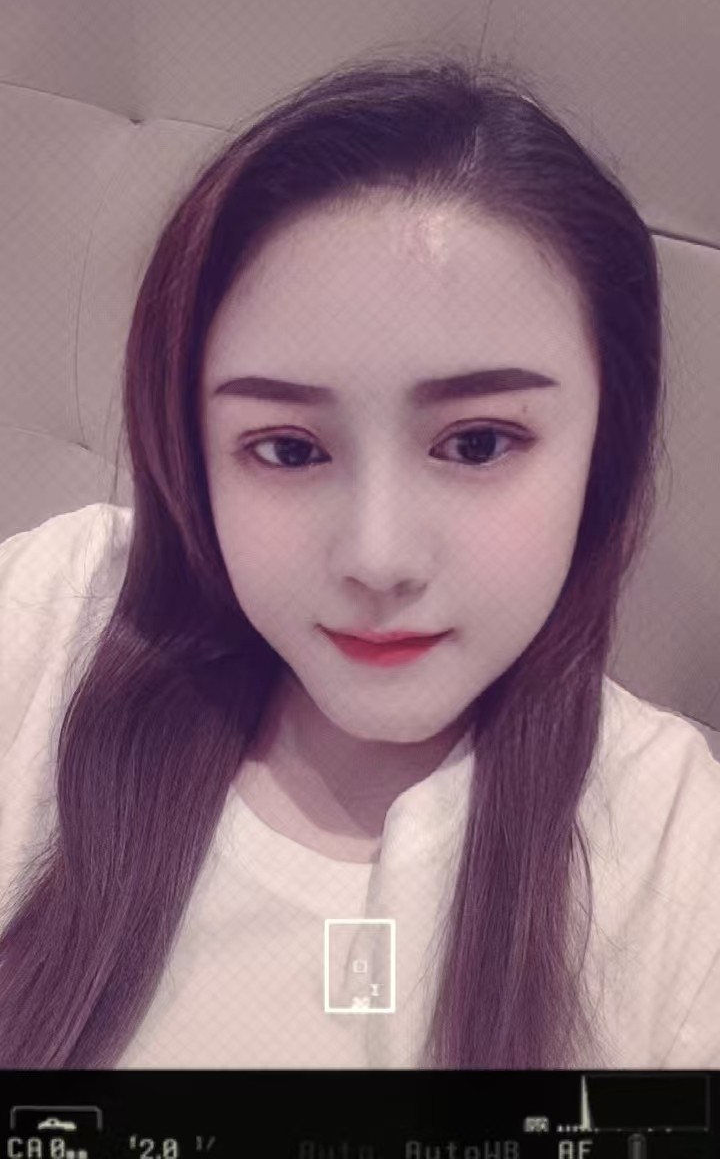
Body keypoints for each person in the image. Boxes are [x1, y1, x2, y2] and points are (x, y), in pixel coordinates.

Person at [0, 52, 719, 1071]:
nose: (378, 559)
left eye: (477, 443)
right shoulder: (58, 618)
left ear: (605, 442)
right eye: (289, 450)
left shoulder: (673, 852)